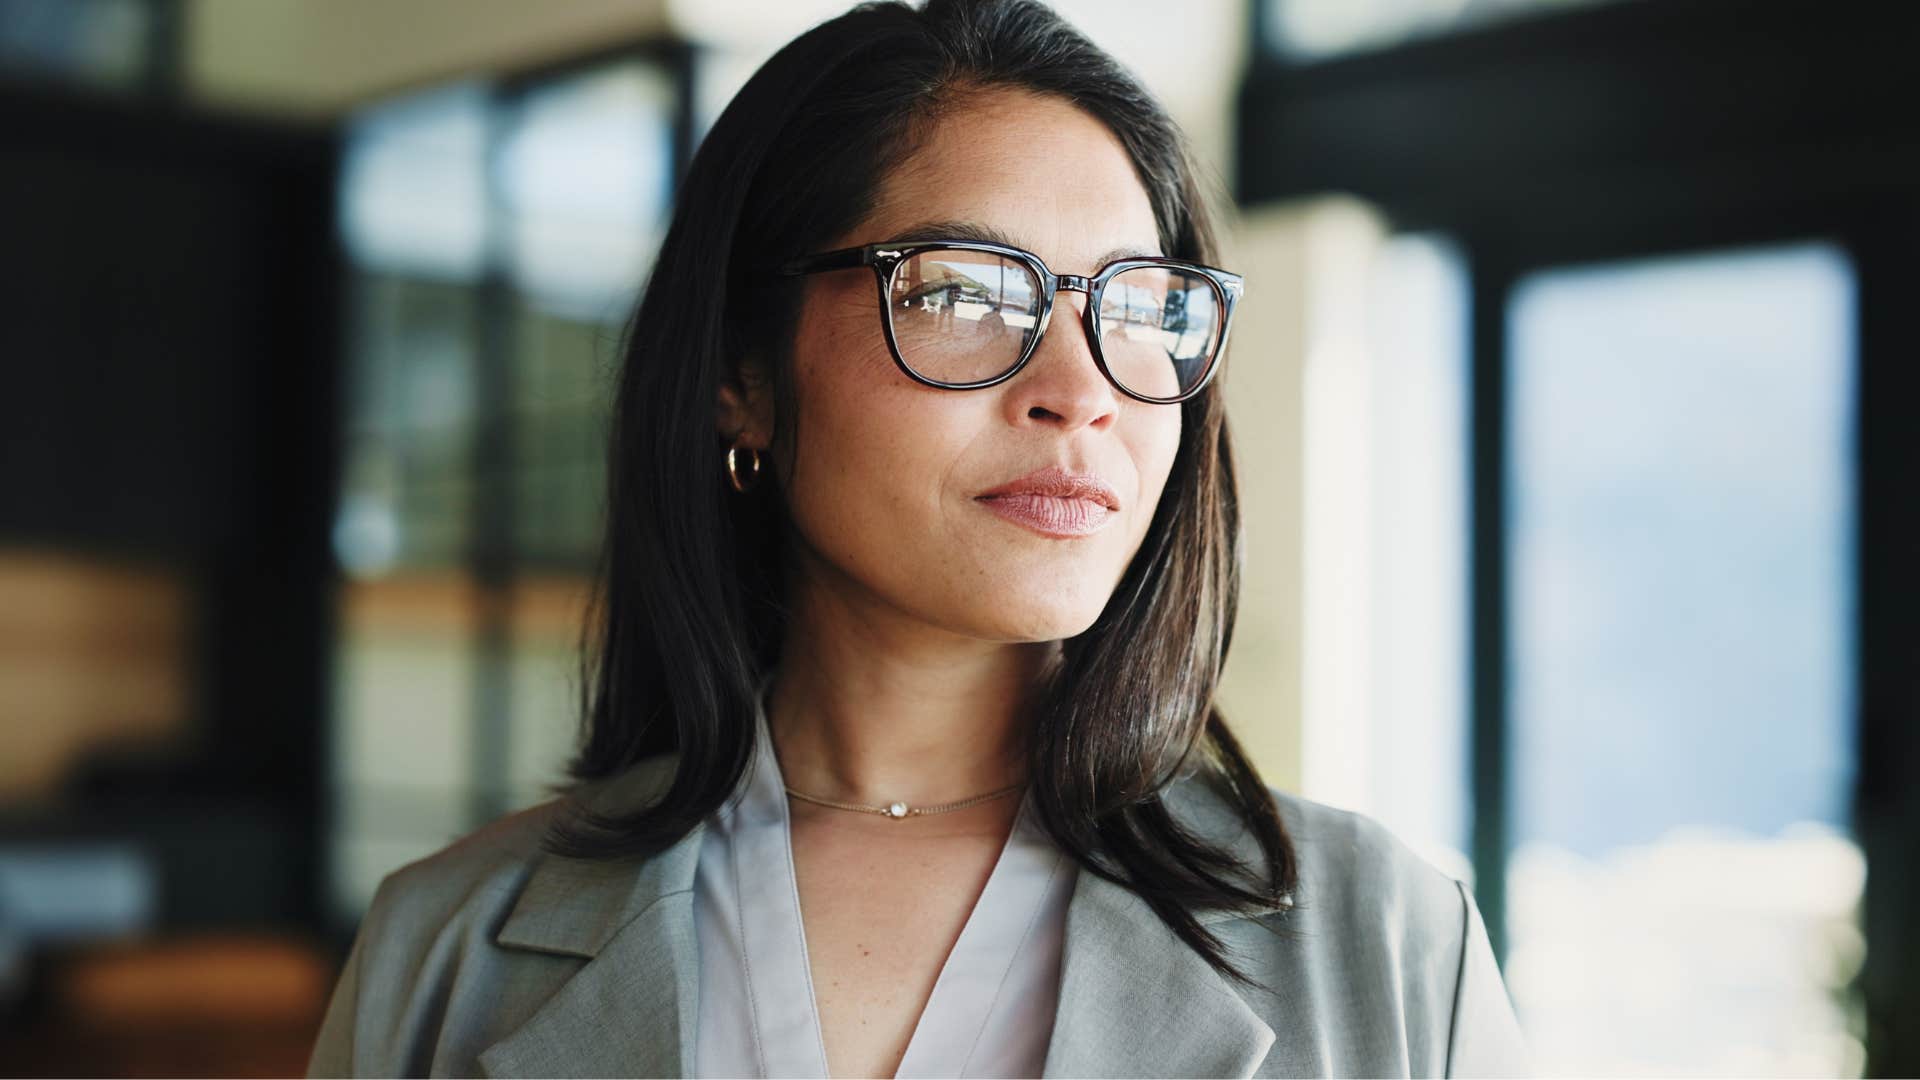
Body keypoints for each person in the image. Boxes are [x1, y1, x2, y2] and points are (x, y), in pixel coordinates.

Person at [306, 1, 1531, 1076]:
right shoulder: (445, 950)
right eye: (962, 291)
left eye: (1140, 308)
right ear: (743, 376)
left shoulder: (1394, 951)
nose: (1081, 393)